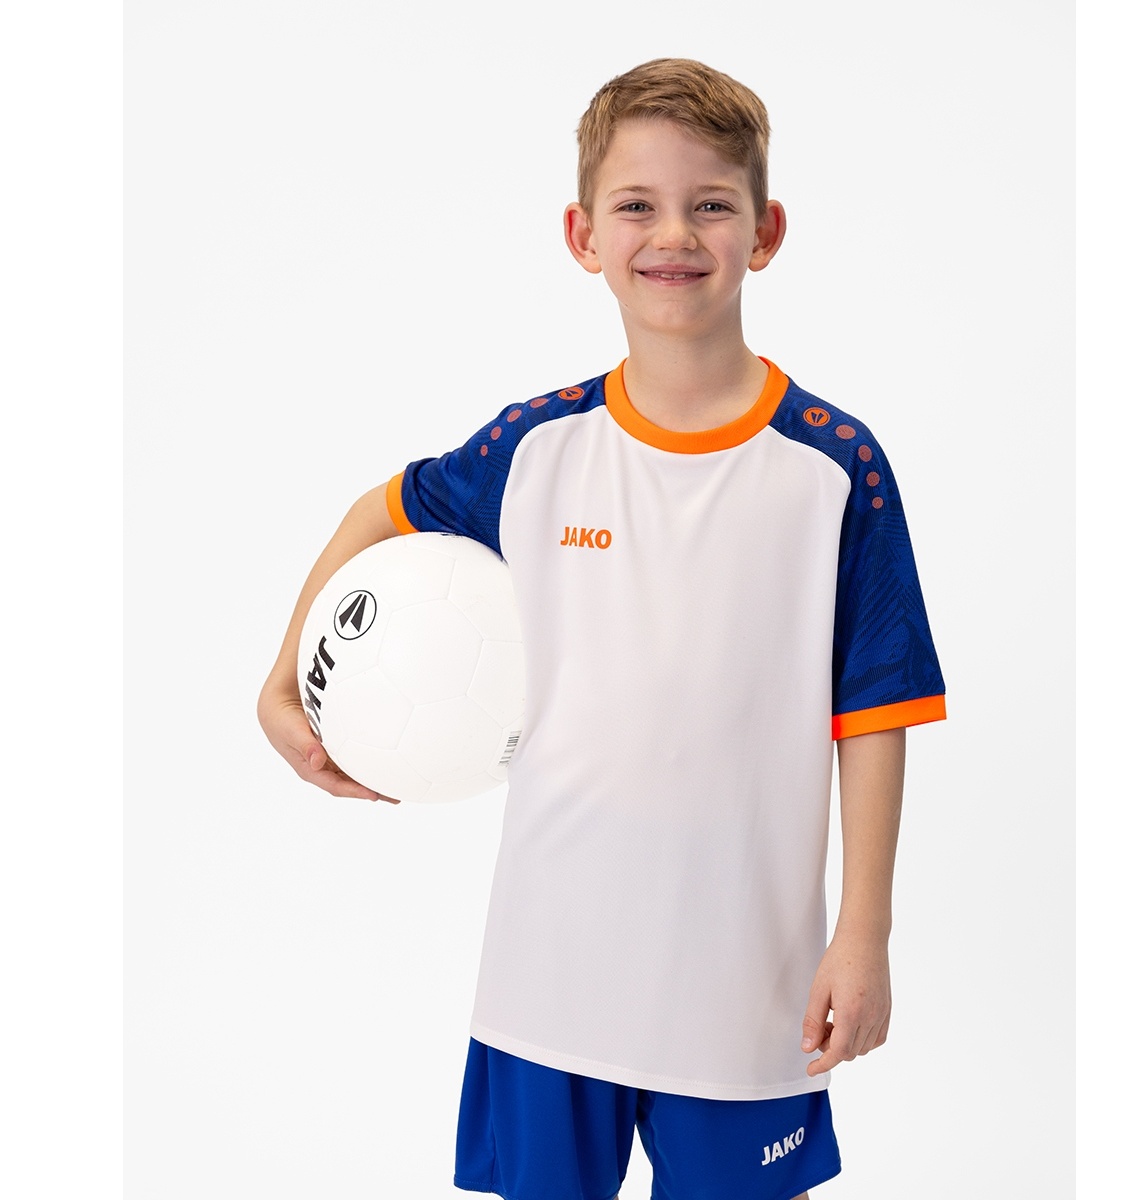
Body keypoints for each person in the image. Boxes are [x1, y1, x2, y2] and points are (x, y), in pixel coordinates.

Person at [258, 57, 945, 1200]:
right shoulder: (537, 447)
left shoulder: (834, 466)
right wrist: (283, 685)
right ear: (582, 235)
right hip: (550, 979)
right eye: (636, 204)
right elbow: (378, 511)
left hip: (747, 987)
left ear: (766, 231)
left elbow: (876, 707)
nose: (673, 234)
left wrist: (863, 932)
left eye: (710, 203)